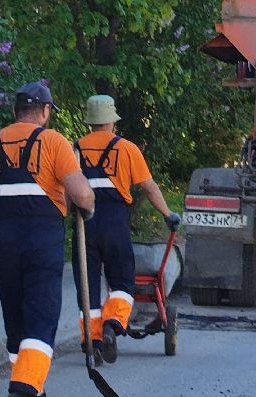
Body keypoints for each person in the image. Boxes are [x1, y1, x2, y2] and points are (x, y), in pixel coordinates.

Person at [0, 81, 95, 397]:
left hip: (3, 239)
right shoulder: (54, 142)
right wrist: (88, 207)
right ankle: (23, 391)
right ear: (44, 112)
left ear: (15, 111)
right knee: (41, 314)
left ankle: (33, 392)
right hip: (42, 239)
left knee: (16, 316)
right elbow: (81, 194)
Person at [73, 94, 180, 360]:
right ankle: (112, 325)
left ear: (90, 122)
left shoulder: (73, 149)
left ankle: (92, 343)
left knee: (87, 287)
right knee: (121, 280)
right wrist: (168, 214)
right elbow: (149, 187)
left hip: (84, 224)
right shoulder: (127, 149)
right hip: (115, 222)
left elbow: (64, 189)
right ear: (112, 122)